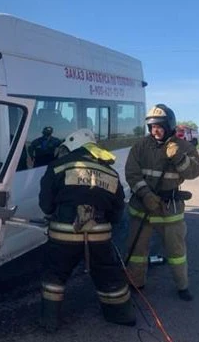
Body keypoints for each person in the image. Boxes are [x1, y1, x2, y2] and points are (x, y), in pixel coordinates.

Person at [38, 129, 135, 332]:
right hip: (100, 235)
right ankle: (121, 315)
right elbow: (118, 212)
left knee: (55, 275)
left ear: (72, 145)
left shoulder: (58, 166)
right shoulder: (111, 172)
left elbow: (45, 204)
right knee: (109, 274)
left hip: (63, 234)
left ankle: (49, 321)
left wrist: (54, 212)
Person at [125, 104, 199, 301]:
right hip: (143, 207)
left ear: (169, 125)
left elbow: (193, 172)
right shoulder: (140, 146)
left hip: (170, 209)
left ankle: (182, 286)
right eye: (151, 127)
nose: (154, 130)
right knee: (137, 251)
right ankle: (136, 282)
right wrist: (146, 194)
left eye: (159, 126)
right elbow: (132, 174)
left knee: (177, 252)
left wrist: (178, 157)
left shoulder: (184, 147)